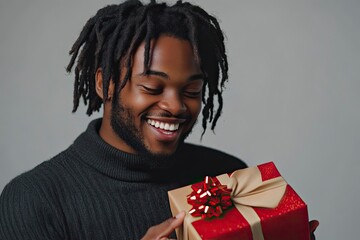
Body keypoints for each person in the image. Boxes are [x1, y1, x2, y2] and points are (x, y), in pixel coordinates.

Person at [0, 0, 318, 239]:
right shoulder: (34, 199)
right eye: (152, 87)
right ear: (104, 84)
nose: (175, 106)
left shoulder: (227, 176)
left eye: (192, 89)